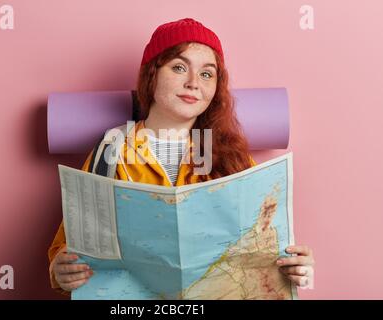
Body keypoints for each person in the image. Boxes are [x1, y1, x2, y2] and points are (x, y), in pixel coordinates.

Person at [48, 17, 315, 297]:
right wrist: (60, 269)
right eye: (178, 67)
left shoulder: (233, 159)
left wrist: (296, 267)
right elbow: (68, 247)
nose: (193, 83)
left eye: (207, 74)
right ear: (152, 74)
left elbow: (264, 248)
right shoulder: (110, 152)